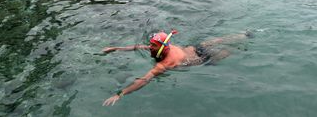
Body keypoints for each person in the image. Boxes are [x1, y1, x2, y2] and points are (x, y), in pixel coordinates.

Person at [102, 30, 249, 106]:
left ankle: (242, 45)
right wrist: (116, 48)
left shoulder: (166, 63)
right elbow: (138, 46)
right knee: (213, 41)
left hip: (202, 59)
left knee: (226, 52)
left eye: (152, 45)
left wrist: (120, 94)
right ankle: (243, 35)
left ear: (161, 48)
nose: (149, 47)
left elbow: (144, 80)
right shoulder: (163, 47)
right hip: (195, 48)